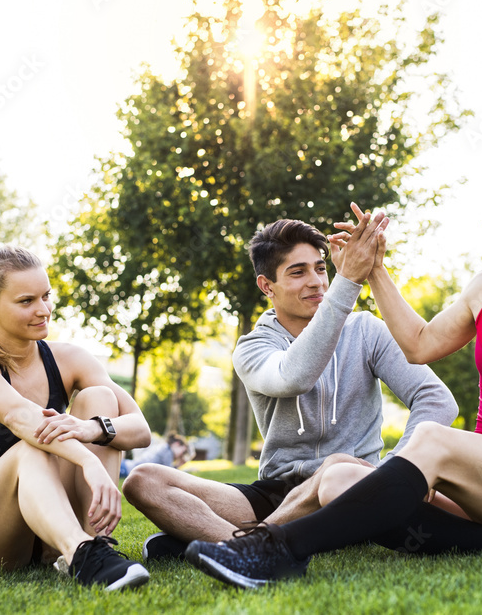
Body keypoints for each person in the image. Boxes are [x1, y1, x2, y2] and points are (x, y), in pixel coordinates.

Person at [187, 150, 482, 588]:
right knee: (338, 478)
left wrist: (457, 454)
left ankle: (277, 549)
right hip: (479, 482)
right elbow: (419, 345)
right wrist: (373, 268)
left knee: (432, 439)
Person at [122, 218, 459, 562]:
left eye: (320, 268)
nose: (316, 282)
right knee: (143, 479)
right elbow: (294, 377)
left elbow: (436, 400)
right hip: (276, 494)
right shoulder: (252, 349)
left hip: (349, 484)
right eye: (298, 272)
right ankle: (253, 546)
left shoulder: (366, 331)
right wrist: (348, 283)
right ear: (267, 286)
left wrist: (393, 471)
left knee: (336, 464)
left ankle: (232, 545)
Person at [0, 245, 153, 590]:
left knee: (100, 398)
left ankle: (93, 544)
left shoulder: (69, 358)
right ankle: (82, 555)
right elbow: (20, 417)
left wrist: (91, 428)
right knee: (30, 448)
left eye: (46, 297)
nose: (43, 310)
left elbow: (140, 429)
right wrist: (89, 462)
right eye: (26, 301)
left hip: (46, 530)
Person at [119, 434, 189, 479]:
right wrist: (178, 465)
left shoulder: (164, 447)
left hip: (126, 466)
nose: (181, 455)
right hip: (126, 470)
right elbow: (170, 475)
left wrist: (178, 466)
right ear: (177, 444)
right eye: (183, 452)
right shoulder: (167, 451)